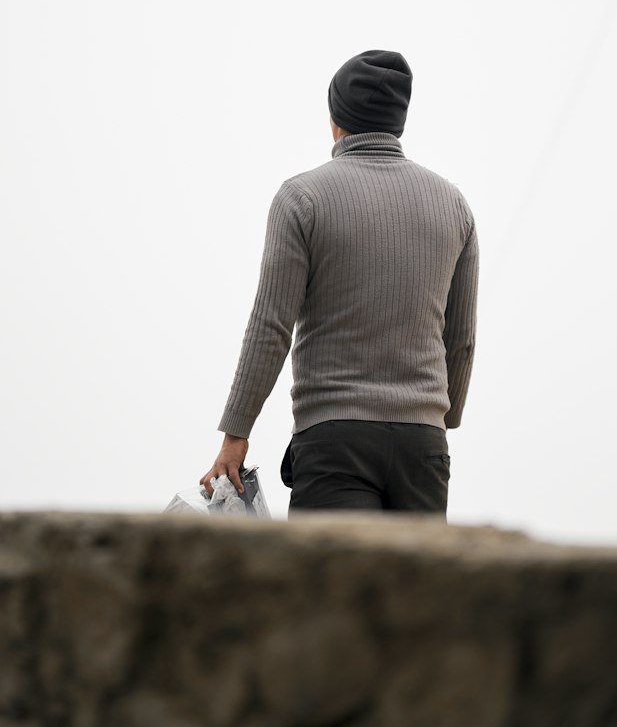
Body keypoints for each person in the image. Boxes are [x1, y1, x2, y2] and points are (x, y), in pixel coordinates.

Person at [199, 49, 479, 515]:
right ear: (398, 122)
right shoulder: (454, 207)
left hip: (334, 443)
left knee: (331, 588)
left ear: (336, 120)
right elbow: (462, 340)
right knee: (417, 588)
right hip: (423, 448)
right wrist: (439, 420)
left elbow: (271, 326)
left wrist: (236, 435)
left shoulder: (301, 199)